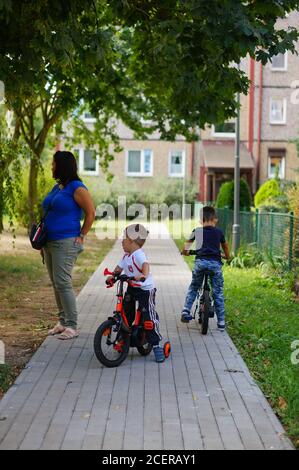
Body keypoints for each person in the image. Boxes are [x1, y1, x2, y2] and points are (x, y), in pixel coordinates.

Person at [42, 150, 95, 340]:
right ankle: (62, 322)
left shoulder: (77, 188)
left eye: (54, 163)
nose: (51, 166)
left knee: (63, 283)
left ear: (62, 165)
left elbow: (91, 213)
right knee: (57, 284)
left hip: (66, 241)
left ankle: (72, 325)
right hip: (49, 241)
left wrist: (82, 235)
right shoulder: (58, 188)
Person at [107, 223, 165, 362]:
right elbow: (118, 269)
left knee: (148, 316)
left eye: (124, 239)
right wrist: (112, 277)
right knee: (126, 313)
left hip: (145, 289)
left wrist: (143, 275)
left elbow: (145, 265)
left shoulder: (138, 254)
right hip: (132, 287)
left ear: (132, 241)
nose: (121, 241)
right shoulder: (126, 256)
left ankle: (156, 344)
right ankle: (123, 338)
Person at [181, 206, 230, 331]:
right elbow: (225, 246)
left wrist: (185, 252)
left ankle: (186, 310)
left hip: (200, 263)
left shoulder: (197, 231)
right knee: (218, 292)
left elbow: (186, 246)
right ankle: (221, 322)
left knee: (194, 286)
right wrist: (227, 256)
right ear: (215, 220)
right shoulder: (218, 232)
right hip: (215, 264)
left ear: (200, 220)